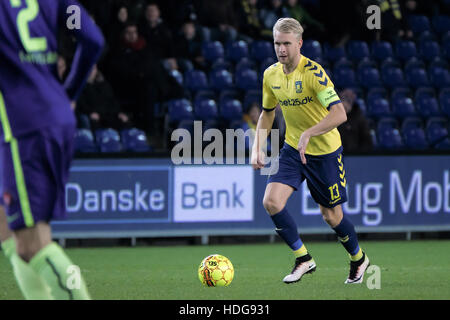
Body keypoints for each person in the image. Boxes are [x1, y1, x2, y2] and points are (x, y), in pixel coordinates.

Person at [251, 18, 370, 284]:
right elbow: (267, 114)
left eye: (286, 43)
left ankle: (358, 259)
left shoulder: (314, 73)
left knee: (331, 216)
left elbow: (340, 114)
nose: (281, 49)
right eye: (277, 43)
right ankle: (304, 259)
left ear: (299, 43)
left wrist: (309, 132)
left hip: (324, 152)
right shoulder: (271, 75)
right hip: (293, 149)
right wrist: (257, 147)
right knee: (271, 202)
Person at [0, 0, 104, 299]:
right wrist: (69, 91)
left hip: (24, 125)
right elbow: (92, 39)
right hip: (50, 114)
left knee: (33, 242)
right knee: (7, 230)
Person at [338, 88, 374, 153]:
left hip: (355, 156)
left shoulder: (359, 118)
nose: (345, 104)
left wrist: (359, 154)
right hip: (337, 155)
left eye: (348, 100)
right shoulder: (333, 116)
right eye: (343, 99)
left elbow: (366, 141)